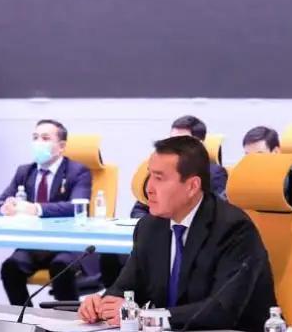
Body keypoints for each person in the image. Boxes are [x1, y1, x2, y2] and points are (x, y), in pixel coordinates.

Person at [79, 136, 276, 332]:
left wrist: (147, 318)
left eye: (159, 178)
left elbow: (220, 310)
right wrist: (101, 304)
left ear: (192, 186)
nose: (148, 188)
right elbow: (126, 288)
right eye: (149, 176)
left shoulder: (234, 229)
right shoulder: (149, 227)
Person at [98, 115, 229, 288]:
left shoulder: (213, 173)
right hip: (157, 234)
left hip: (187, 240)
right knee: (110, 256)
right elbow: (138, 208)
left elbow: (209, 212)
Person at [0, 120, 93, 305]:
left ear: (61, 146)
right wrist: (5, 206)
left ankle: (65, 318)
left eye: (45, 138)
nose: (38, 142)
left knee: (61, 267)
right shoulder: (25, 171)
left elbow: (77, 207)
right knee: (10, 268)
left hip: (66, 244)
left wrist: (36, 208)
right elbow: (0, 201)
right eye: (35, 138)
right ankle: (26, 316)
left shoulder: (78, 171)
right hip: (34, 244)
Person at [242, 126, 292, 208]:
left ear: (275, 152)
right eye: (248, 156)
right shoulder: (243, 176)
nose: (252, 162)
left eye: (259, 155)